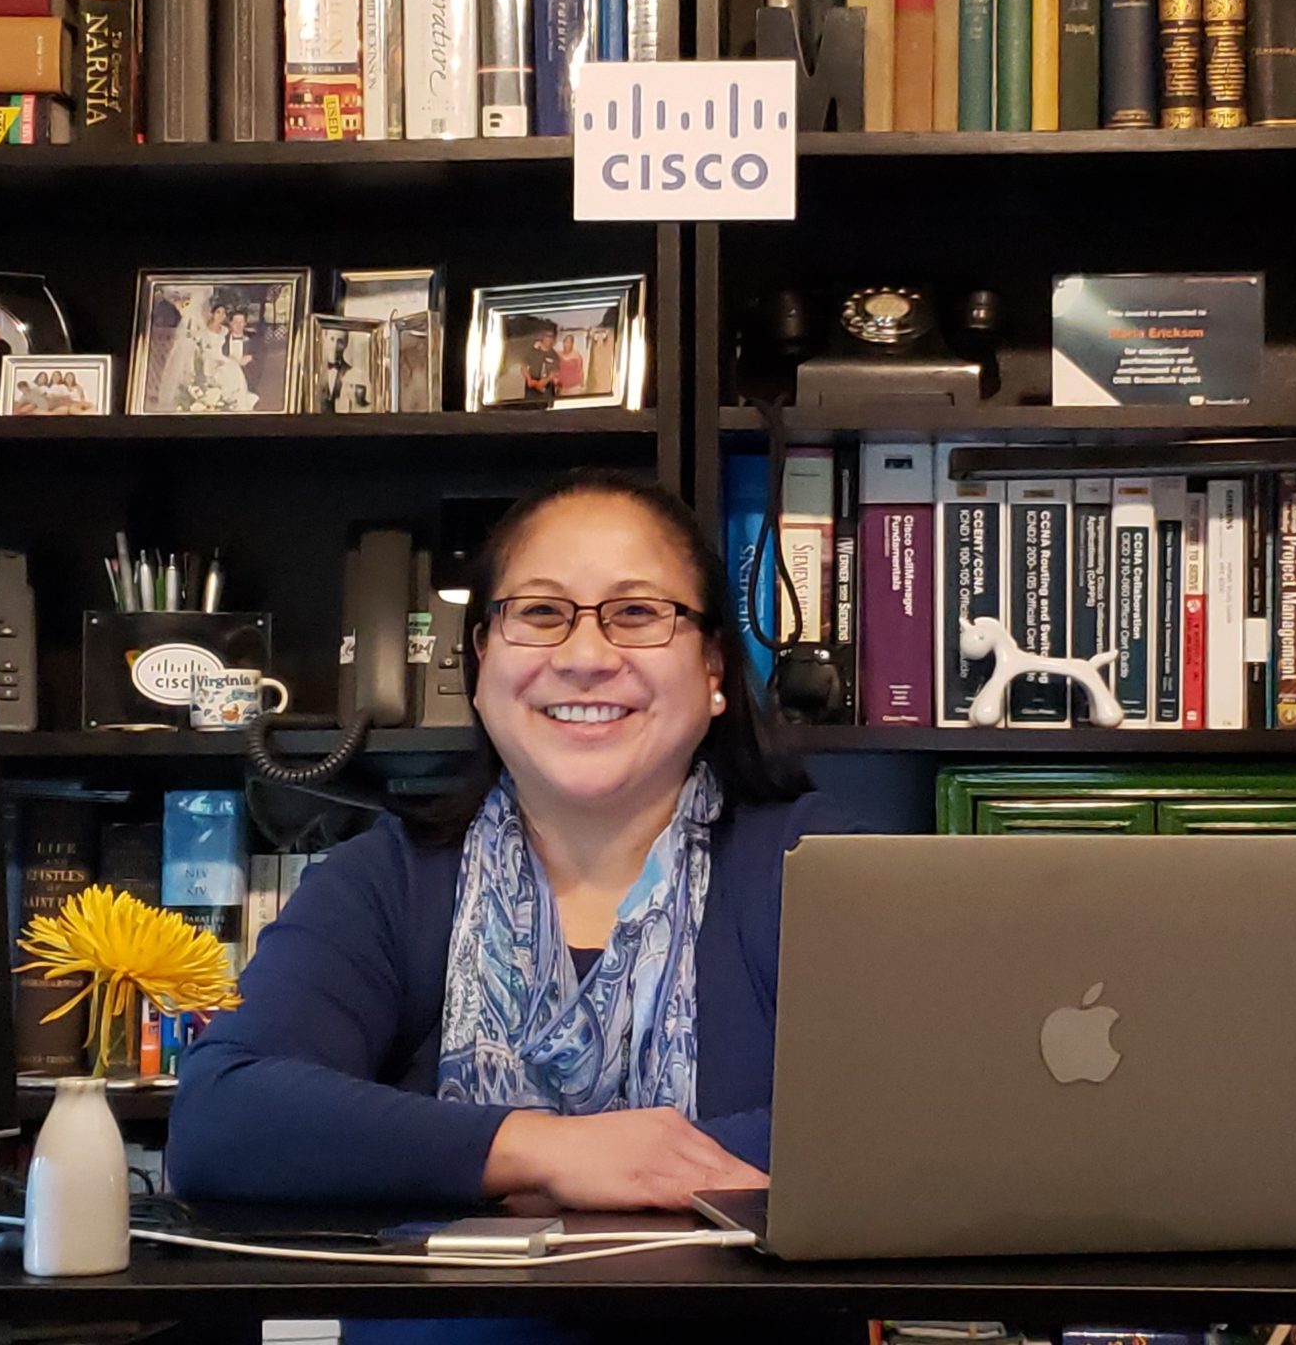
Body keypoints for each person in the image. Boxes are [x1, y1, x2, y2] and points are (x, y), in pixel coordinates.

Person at [169, 472, 837, 1242]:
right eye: (542, 613)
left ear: (714, 667)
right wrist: (547, 1152)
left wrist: (443, 1161)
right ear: (482, 662)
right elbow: (222, 1117)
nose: (586, 655)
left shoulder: (818, 870)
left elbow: (915, 1115)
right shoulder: (385, 884)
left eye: (637, 614)